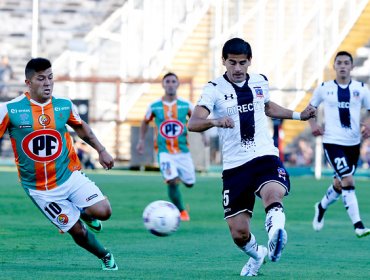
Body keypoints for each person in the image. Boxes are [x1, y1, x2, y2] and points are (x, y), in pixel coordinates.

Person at [187, 38, 316, 276]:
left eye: (242, 63)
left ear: (249, 62)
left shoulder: (260, 81)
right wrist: (215, 121)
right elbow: (193, 123)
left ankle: (276, 230)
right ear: (223, 61)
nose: (237, 68)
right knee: (239, 233)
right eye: (232, 62)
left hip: (264, 155)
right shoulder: (213, 89)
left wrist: (299, 115)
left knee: (272, 192)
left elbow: (268, 108)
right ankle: (258, 255)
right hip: (235, 166)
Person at [0, 58, 118, 270]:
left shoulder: (64, 105)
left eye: (51, 77)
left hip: (68, 176)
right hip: (40, 190)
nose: (47, 83)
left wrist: (101, 150)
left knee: (104, 212)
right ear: (28, 82)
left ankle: (83, 211)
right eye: (41, 78)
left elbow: (81, 128)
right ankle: (105, 255)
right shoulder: (10, 109)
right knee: (78, 231)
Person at [308, 51, 370, 238]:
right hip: (332, 142)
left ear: (351, 67)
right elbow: (310, 109)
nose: (343, 66)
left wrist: (368, 125)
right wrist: (313, 125)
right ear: (334, 67)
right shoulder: (324, 88)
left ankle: (321, 206)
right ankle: (358, 225)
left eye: (346, 63)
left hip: (353, 144)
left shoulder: (362, 89)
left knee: (339, 183)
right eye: (339, 63)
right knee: (348, 180)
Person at [136, 72, 199, 222]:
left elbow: (196, 119)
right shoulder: (154, 106)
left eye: (173, 81)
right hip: (164, 151)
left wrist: (204, 135)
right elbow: (145, 122)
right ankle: (181, 211)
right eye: (168, 81)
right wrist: (141, 140)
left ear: (177, 84)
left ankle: (180, 179)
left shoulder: (186, 105)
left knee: (190, 183)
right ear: (163, 85)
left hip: (183, 151)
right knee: (171, 180)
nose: (170, 84)